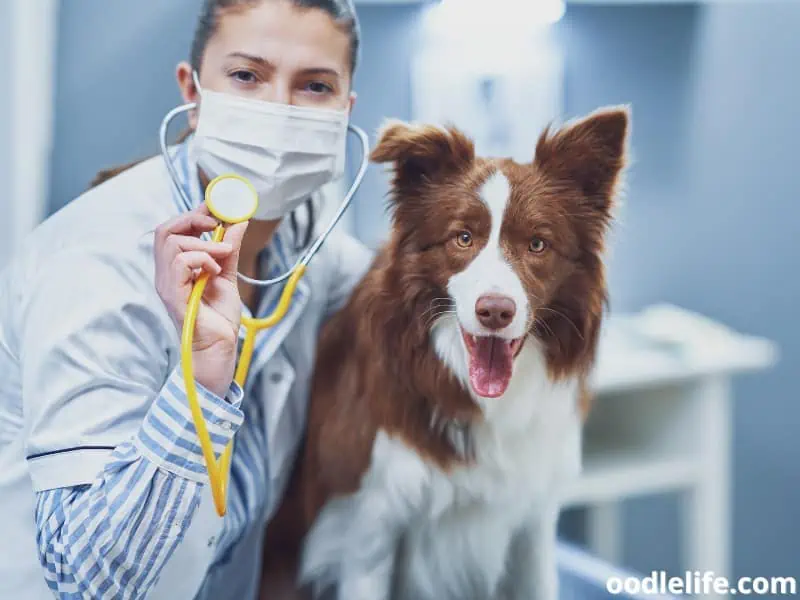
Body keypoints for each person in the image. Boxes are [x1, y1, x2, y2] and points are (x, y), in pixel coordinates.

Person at [0, 0, 371, 598]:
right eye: (247, 75)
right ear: (193, 93)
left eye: (314, 86)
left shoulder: (309, 237)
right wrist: (199, 383)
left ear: (346, 110)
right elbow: (89, 584)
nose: (277, 110)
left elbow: (402, 286)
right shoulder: (92, 265)